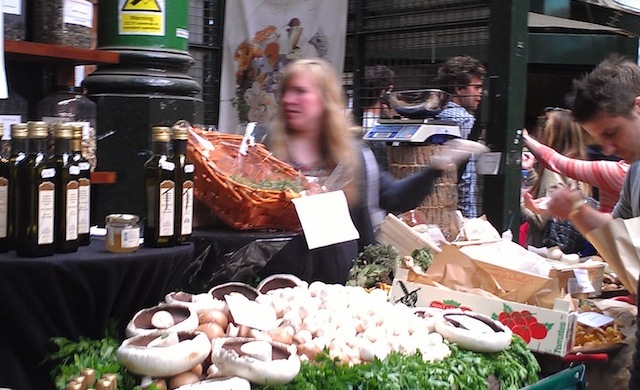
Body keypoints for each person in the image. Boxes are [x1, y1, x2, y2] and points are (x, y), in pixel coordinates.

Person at [264, 58, 475, 284]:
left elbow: (395, 197)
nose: (288, 99)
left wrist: (436, 167)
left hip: (337, 289)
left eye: (300, 92)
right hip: (275, 283)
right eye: (286, 91)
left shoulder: (354, 157)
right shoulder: (267, 152)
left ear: (325, 100)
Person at [523, 56, 640, 389]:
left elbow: (632, 250)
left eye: (612, 133)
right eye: (600, 139)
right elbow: (615, 233)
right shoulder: (635, 170)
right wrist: (577, 211)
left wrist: (578, 210)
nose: (609, 148)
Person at [520, 108, 590, 249]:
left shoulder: (552, 171)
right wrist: (531, 170)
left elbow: (541, 221)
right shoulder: (578, 166)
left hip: (546, 254)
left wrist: (518, 199)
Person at [522, 128, 629, 214]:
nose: (607, 150)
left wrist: (524, 137)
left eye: (611, 133)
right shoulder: (628, 172)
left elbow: (556, 162)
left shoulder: (619, 173)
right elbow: (609, 223)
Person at [434, 55, 486, 219]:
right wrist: (468, 217)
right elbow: (467, 178)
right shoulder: (464, 120)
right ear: (459, 88)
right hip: (459, 209)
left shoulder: (438, 115)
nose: (480, 93)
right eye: (476, 87)